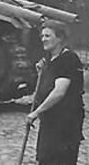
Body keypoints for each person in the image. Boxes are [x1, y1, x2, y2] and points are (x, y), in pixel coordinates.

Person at [27, 19, 85, 165]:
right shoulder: (50, 59)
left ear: (60, 38)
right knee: (45, 158)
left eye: (48, 36)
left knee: (59, 160)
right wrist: (42, 70)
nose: (43, 39)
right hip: (50, 120)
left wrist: (36, 112)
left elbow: (59, 92)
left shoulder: (69, 59)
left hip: (65, 122)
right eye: (42, 36)